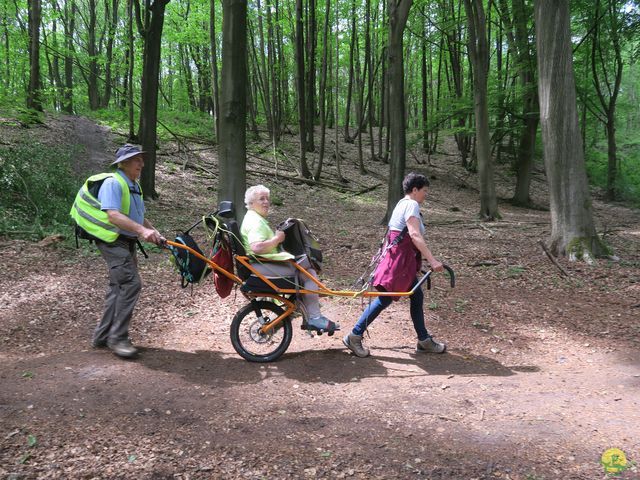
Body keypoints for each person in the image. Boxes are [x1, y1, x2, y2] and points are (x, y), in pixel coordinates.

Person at [343, 172, 445, 358]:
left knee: (416, 295)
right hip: (399, 261)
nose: (425, 194)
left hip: (399, 260)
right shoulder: (411, 205)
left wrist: (418, 261)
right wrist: (432, 260)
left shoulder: (401, 203)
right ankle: (355, 335)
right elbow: (414, 235)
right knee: (385, 299)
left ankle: (423, 340)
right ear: (414, 190)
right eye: (424, 190)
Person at [91, 144, 165, 358]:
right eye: (136, 159)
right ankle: (118, 338)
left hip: (125, 242)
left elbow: (137, 215)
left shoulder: (133, 185)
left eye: (141, 159)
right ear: (123, 163)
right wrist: (142, 231)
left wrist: (154, 232)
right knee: (131, 284)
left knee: (118, 287)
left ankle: (103, 336)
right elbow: (113, 215)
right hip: (113, 241)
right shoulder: (114, 183)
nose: (141, 163)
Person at [240, 185, 339, 333]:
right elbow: (257, 248)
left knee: (307, 269)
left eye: (267, 199)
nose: (266, 202)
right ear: (251, 203)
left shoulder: (253, 218)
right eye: (262, 199)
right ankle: (314, 317)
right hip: (261, 266)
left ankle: (306, 311)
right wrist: (277, 239)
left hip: (261, 264)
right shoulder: (255, 222)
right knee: (309, 273)